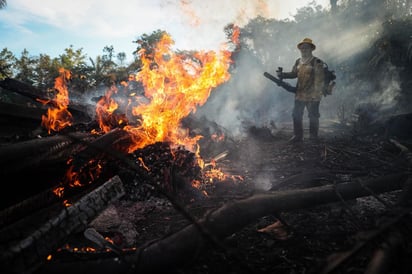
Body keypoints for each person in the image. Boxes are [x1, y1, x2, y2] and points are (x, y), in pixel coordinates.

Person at [277, 38, 326, 143]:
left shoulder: (316, 62)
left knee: (313, 116)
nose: (304, 50)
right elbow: (294, 74)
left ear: (311, 49)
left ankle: (313, 136)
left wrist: (317, 95)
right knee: (296, 114)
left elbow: (319, 80)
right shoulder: (298, 61)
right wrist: (283, 75)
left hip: (313, 94)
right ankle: (298, 136)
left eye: (306, 48)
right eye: (302, 48)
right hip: (299, 94)